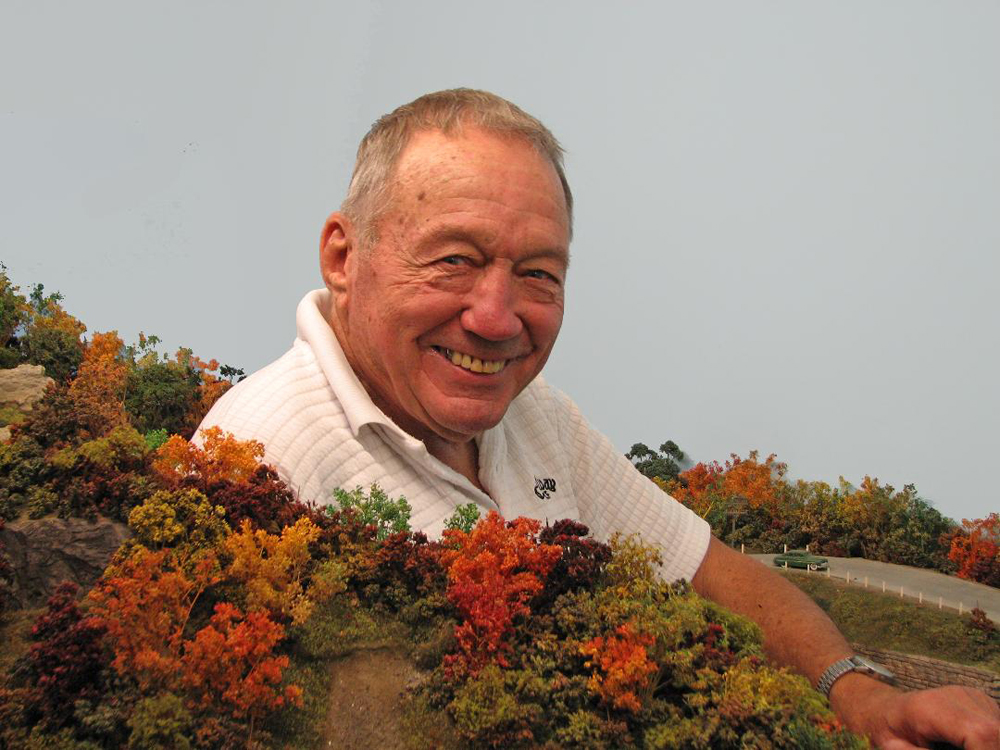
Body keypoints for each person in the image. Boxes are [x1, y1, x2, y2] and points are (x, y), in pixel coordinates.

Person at [199, 89, 1000, 747]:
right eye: (455, 259)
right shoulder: (260, 460)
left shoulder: (537, 418)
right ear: (344, 257)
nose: (496, 316)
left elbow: (710, 572)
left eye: (538, 273)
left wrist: (859, 697)